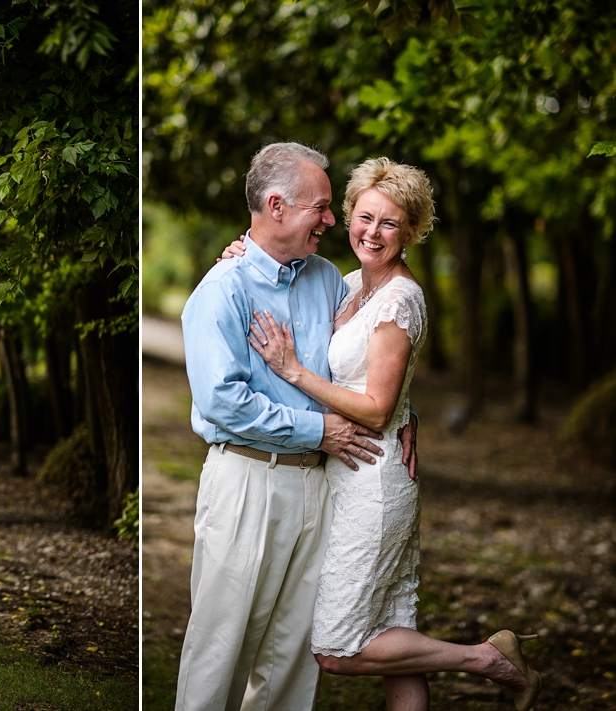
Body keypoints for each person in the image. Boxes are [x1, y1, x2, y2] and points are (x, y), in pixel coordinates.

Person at [228, 157, 541, 711]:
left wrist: (293, 370)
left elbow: (375, 409)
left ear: (412, 231)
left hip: (372, 483)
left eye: (390, 223)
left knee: (338, 649)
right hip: (353, 474)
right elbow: (384, 385)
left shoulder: (399, 300)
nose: (372, 232)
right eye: (365, 217)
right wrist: (241, 253)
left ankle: (487, 658)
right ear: (349, 215)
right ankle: (486, 659)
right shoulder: (349, 286)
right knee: (394, 627)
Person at [175, 142, 413, 711]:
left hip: (322, 486)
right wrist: (318, 432)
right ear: (276, 207)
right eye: (322, 208)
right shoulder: (222, 290)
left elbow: (370, 359)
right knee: (221, 649)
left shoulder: (330, 279)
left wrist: (404, 417)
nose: (333, 221)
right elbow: (222, 403)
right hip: (248, 483)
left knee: (292, 659)